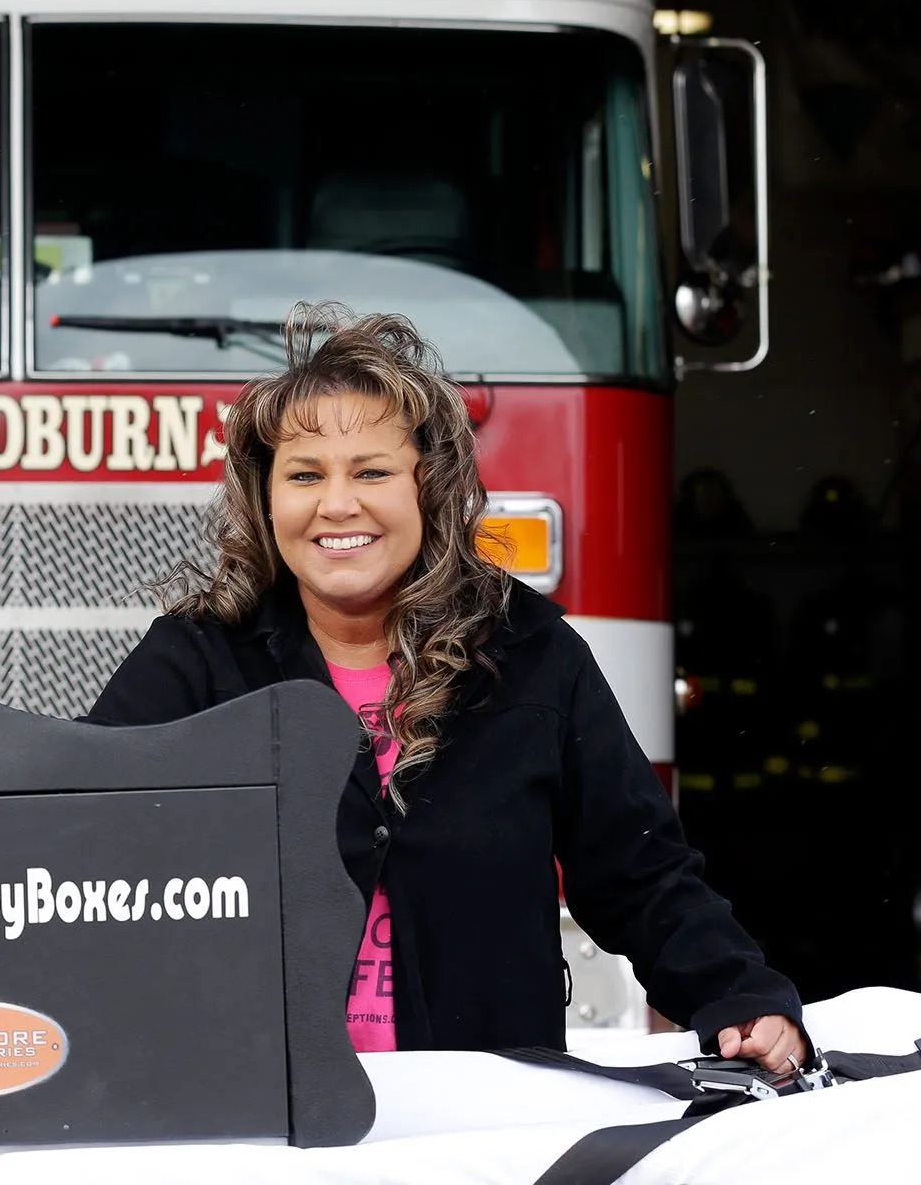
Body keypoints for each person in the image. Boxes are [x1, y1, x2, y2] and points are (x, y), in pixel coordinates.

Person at [84, 301, 808, 1068]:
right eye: (305, 475)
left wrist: (740, 996)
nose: (338, 505)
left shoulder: (533, 656)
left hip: (487, 1119)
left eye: (372, 471)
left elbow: (640, 873)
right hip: (263, 1116)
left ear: (430, 487)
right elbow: (74, 849)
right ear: (267, 498)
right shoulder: (195, 662)